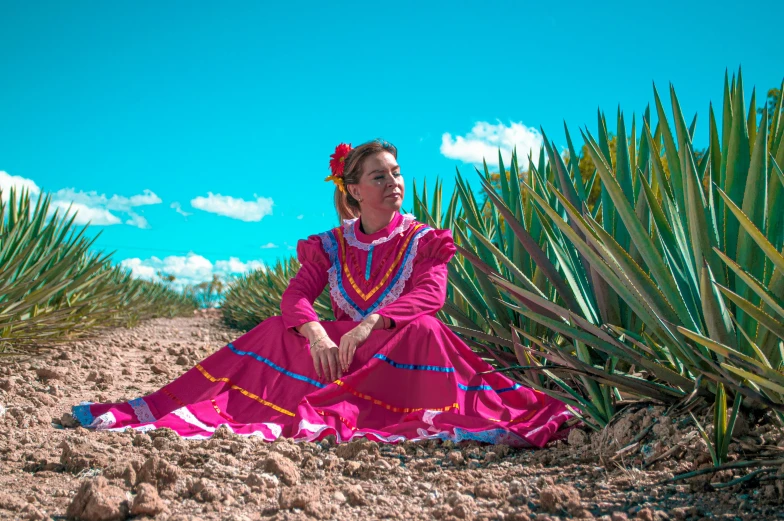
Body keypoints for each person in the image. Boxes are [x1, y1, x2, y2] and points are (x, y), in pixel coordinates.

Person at [72, 139, 571, 447]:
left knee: (426, 328)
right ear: (354, 190)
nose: (394, 182)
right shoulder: (330, 246)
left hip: (392, 345)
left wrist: (369, 324)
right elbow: (296, 298)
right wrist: (318, 336)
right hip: (336, 356)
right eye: (381, 176)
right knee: (274, 329)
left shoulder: (422, 239)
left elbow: (430, 294)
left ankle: (392, 402)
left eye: (396, 173)